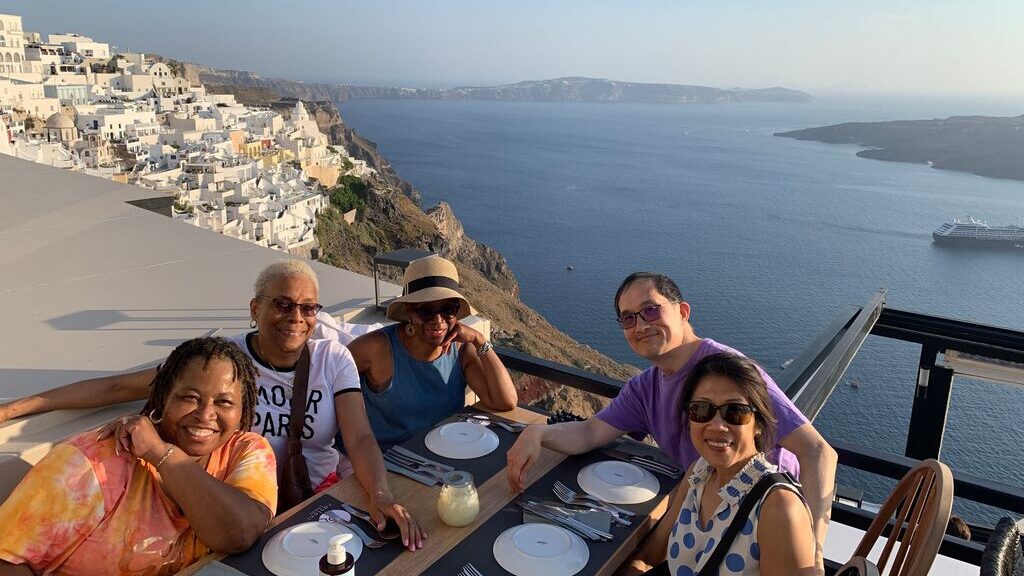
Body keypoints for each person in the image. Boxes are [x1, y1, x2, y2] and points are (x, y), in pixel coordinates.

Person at [0, 260, 425, 551]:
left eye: (308, 307)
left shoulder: (333, 360)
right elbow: (117, 388)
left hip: (315, 498)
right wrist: (13, 410)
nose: (296, 316)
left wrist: (380, 493)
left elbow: (359, 436)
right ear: (255, 308)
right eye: (283, 304)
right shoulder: (219, 364)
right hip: (234, 500)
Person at [506, 272, 837, 571]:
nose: (641, 324)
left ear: (682, 312)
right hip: (702, 511)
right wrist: (538, 432)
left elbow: (818, 452)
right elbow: (591, 431)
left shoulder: (729, 374)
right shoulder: (647, 389)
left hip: (760, 523)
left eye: (651, 310)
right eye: (628, 318)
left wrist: (814, 551)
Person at [0, 337, 278, 575]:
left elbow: (238, 534)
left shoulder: (245, 451)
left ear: (243, 412)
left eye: (224, 402)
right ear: (162, 397)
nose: (206, 415)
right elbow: (6, 559)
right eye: (189, 397)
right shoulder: (91, 462)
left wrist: (160, 454)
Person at [642, 353, 816, 575]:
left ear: (759, 424)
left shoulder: (779, 508)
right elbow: (652, 553)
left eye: (735, 412)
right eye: (701, 409)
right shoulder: (698, 474)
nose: (717, 426)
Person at [347, 254, 518, 448]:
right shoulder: (377, 349)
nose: (438, 320)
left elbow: (506, 401)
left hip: (443, 455)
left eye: (448, 309)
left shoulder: (461, 351)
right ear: (410, 311)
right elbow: (326, 386)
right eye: (426, 310)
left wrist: (479, 341)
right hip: (387, 462)